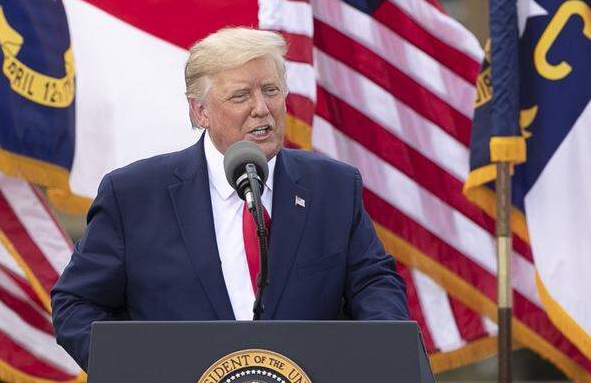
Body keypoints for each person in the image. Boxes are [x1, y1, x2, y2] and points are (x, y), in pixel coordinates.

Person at [51, 27, 409, 369]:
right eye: (241, 95)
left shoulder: (333, 187)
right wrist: (138, 370)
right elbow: (77, 304)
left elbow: (374, 284)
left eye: (271, 90)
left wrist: (374, 357)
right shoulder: (133, 196)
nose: (261, 108)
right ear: (200, 111)